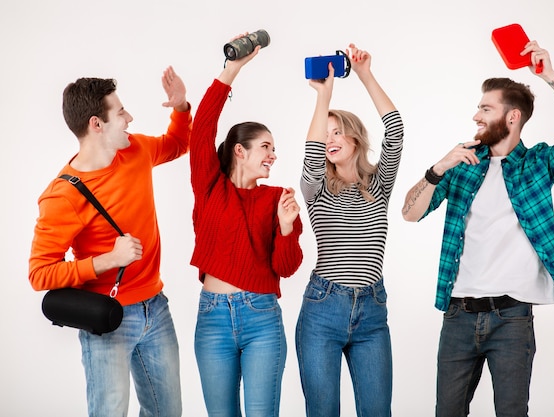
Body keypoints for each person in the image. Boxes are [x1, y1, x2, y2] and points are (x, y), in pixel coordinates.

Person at [401, 41, 554, 417]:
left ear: (512, 117)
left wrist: (551, 78)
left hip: (512, 319)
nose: (475, 115)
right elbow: (410, 214)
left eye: (485, 108)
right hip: (457, 315)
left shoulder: (539, 164)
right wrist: (437, 169)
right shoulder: (461, 164)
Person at [28, 66, 191, 416]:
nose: (130, 118)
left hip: (156, 308)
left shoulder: (135, 151)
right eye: (121, 112)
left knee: (169, 412)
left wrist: (180, 107)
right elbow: (40, 274)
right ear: (96, 125)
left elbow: (178, 144)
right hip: (107, 319)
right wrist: (107, 260)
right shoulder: (62, 196)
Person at [189, 35, 304, 417]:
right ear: (240, 150)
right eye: (266, 147)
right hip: (213, 317)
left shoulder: (276, 200)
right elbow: (201, 128)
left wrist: (287, 229)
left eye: (274, 148)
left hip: (261, 318)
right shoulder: (210, 186)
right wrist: (231, 70)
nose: (274, 155)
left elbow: (285, 268)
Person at [296, 44, 404, 417]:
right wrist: (324, 96)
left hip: (372, 311)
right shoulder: (316, 188)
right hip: (324, 309)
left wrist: (364, 74)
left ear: (355, 137)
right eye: (324, 133)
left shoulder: (378, 185)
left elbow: (396, 130)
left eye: (337, 131)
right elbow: (311, 156)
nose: (330, 139)